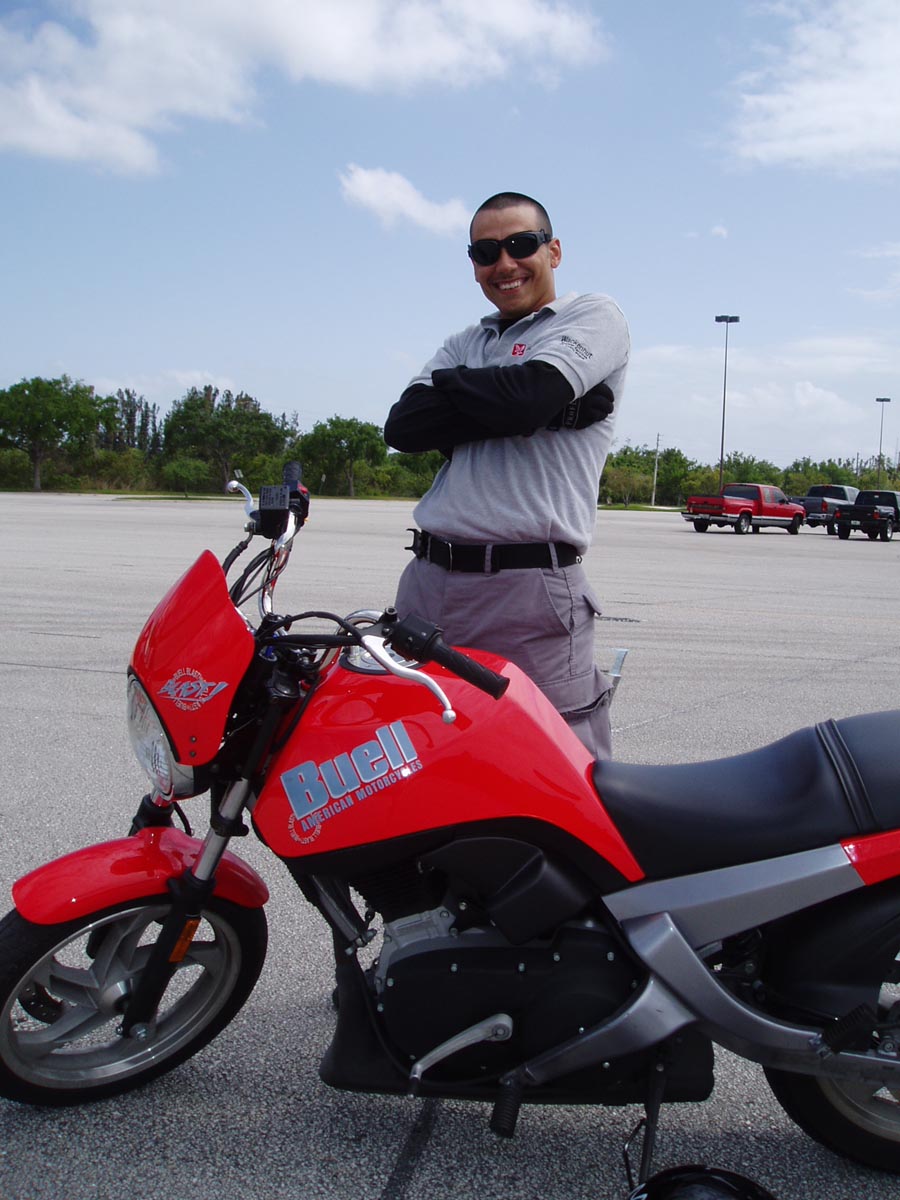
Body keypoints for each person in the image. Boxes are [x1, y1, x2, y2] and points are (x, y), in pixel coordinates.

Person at [383, 191, 629, 759]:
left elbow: (526, 400)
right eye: (486, 252)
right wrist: (546, 408)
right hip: (428, 582)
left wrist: (465, 389)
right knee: (421, 752)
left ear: (554, 251)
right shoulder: (465, 341)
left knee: (552, 761)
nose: (505, 263)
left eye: (521, 244)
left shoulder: (594, 316)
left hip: (528, 588)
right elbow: (404, 427)